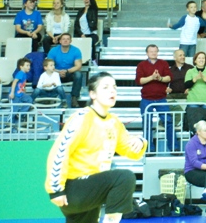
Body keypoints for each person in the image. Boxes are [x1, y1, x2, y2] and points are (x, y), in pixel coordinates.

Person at [45, 73, 146, 223]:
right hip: (74, 188)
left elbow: (131, 151)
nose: (112, 91)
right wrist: (55, 189)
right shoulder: (82, 118)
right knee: (125, 178)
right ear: (92, 94)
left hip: (92, 187)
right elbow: (60, 151)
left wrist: (140, 141)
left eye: (114, 87)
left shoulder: (114, 122)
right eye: (105, 87)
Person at [47, 33, 84, 108]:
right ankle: (48, 97)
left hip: (69, 73)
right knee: (46, 72)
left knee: (78, 74)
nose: (65, 40)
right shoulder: (53, 51)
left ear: (70, 41)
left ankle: (74, 98)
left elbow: (78, 66)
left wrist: (66, 71)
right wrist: (58, 72)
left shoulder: (76, 50)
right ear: (60, 41)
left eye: (67, 39)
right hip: (56, 73)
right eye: (63, 39)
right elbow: (48, 65)